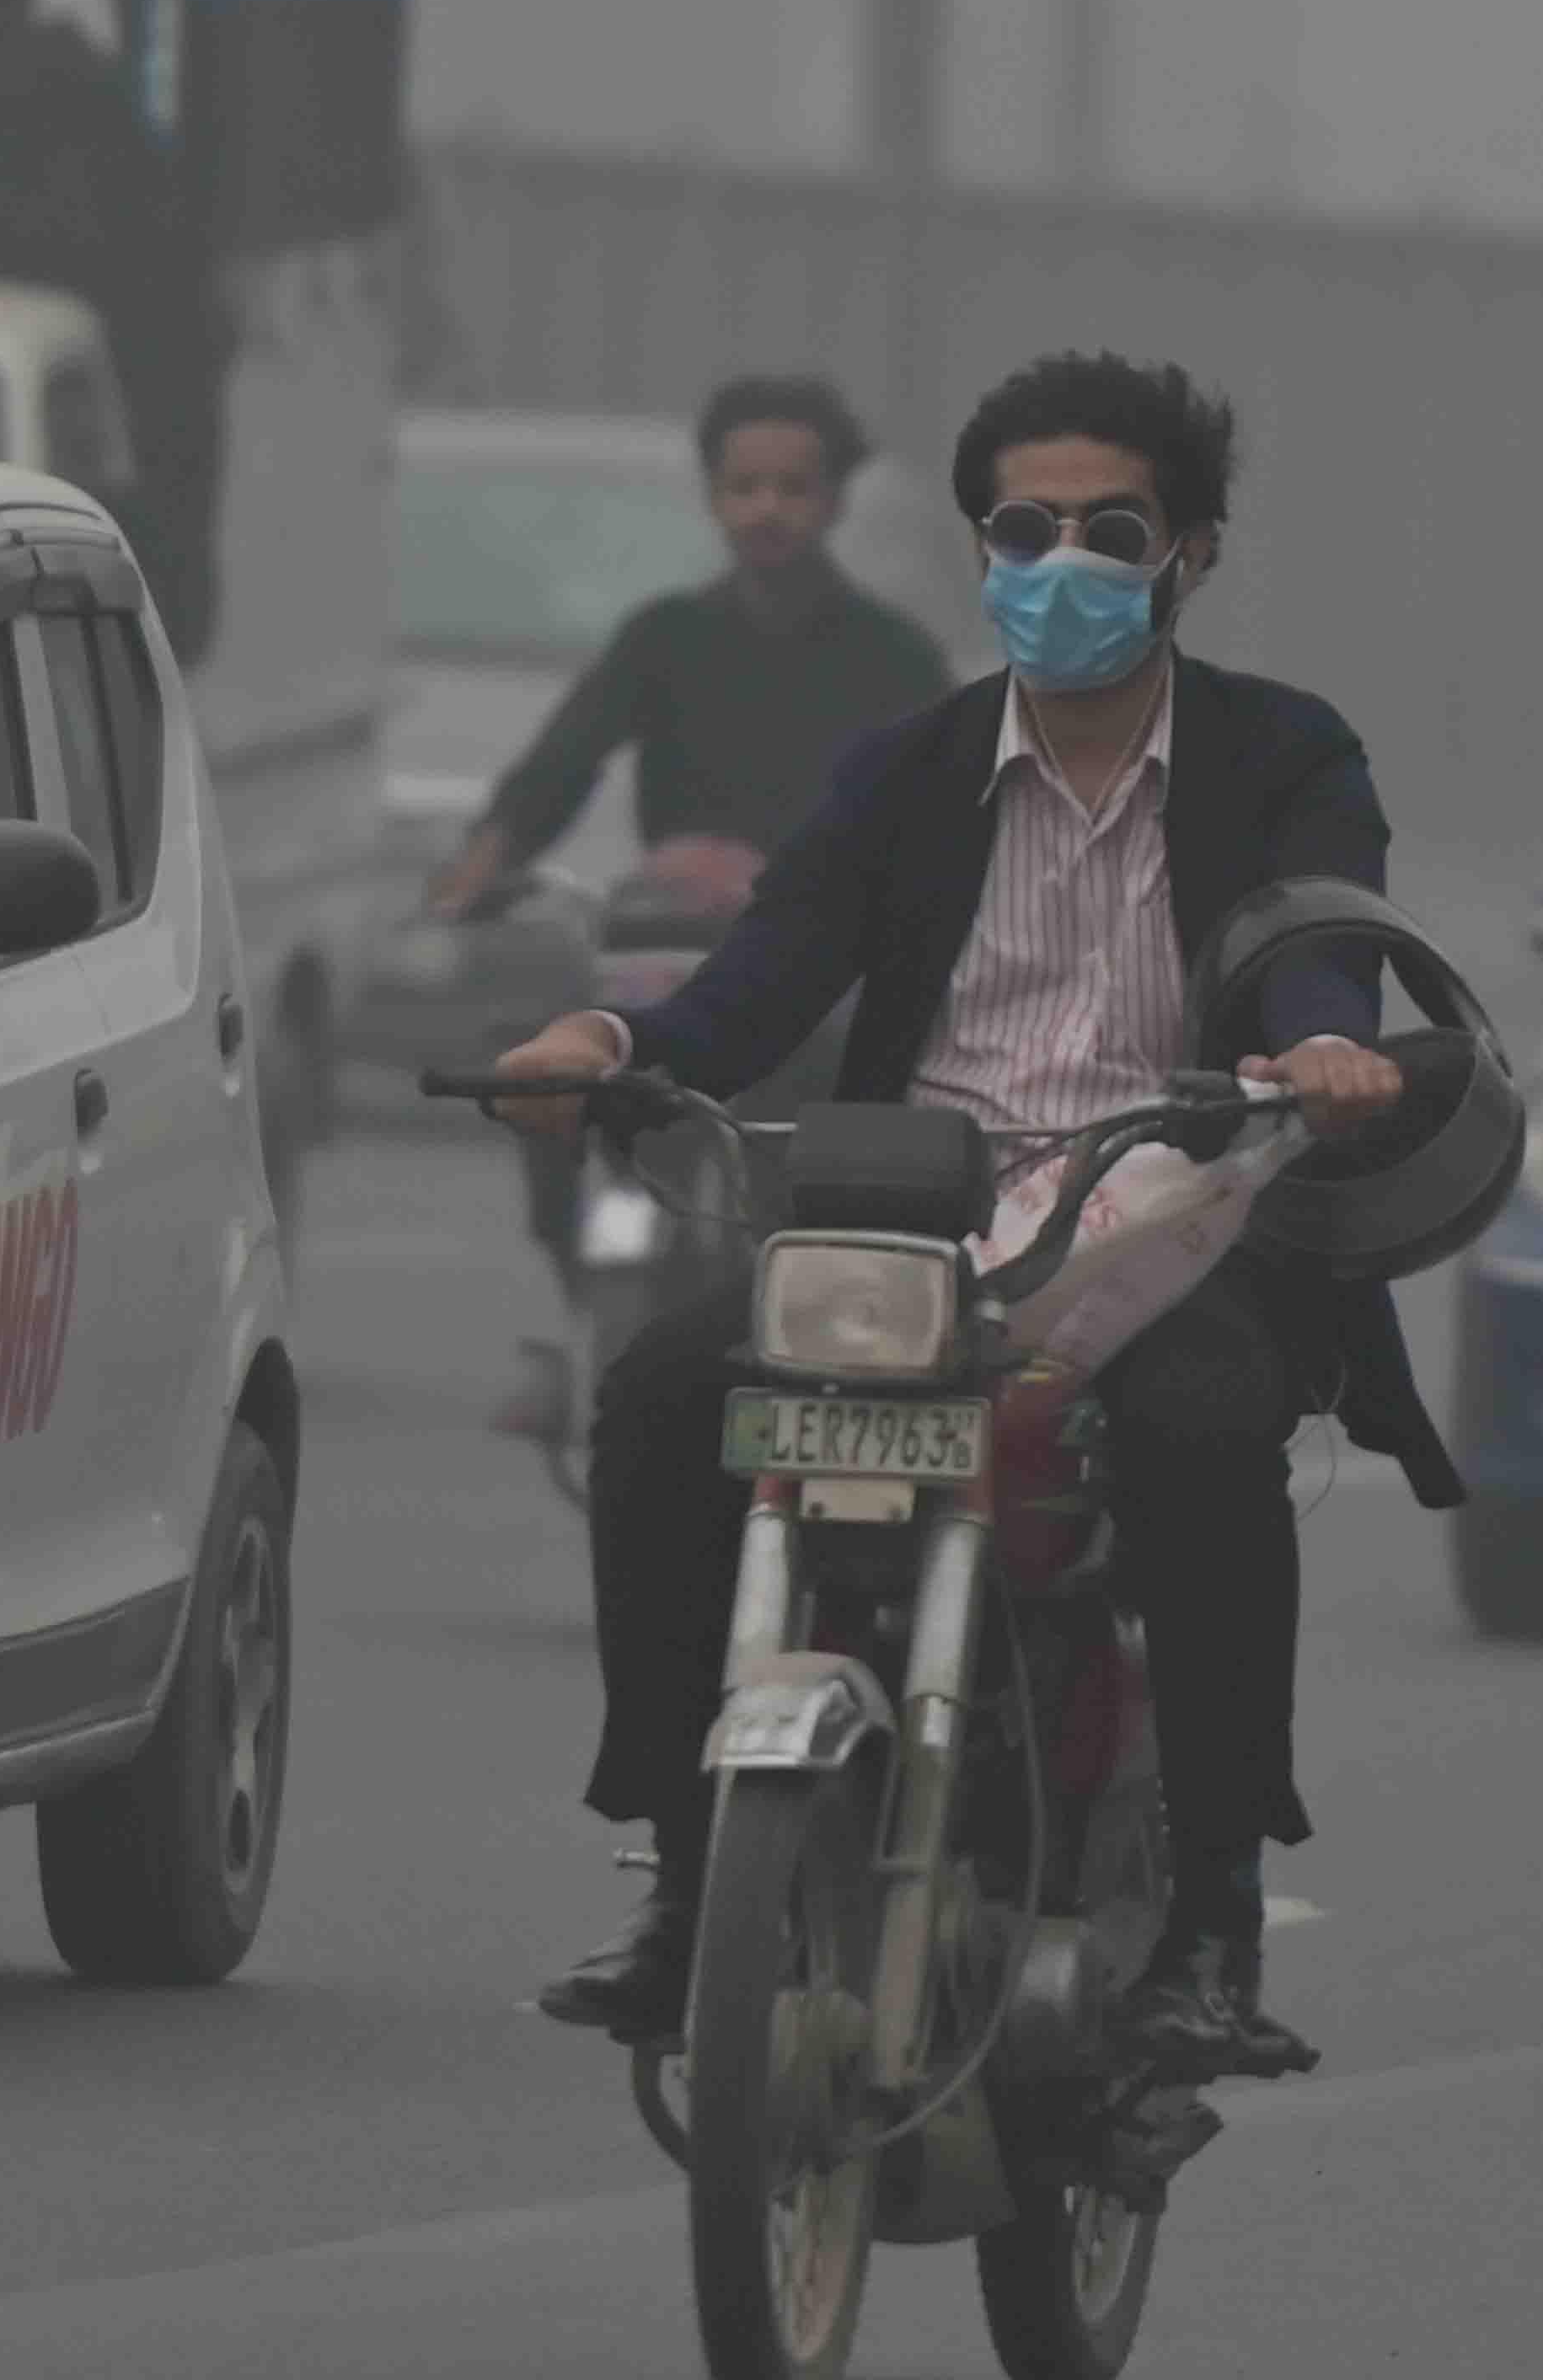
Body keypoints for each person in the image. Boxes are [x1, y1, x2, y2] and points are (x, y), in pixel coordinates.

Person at [472, 351, 1428, 2080]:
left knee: (1206, 1429)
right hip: (915, 1218)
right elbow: (759, 977)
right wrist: (605, 1042)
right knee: (673, 1392)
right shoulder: (903, 768)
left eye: (1109, 526)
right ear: (981, 549)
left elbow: (1315, 934)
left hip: (1176, 1204)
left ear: (1190, 550)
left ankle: (1209, 1915)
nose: (1063, 559)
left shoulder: (1288, 750)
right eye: (1023, 525)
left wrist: (1327, 1042)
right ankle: (695, 1877)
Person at [426, 376, 951, 1286]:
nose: (767, 509)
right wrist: (475, 875)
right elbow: (563, 763)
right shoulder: (664, 637)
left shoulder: (898, 657)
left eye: (793, 488)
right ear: (713, 496)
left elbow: (945, 811)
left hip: (820, 969)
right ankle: (586, 1277)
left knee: (822, 1153)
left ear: (832, 501)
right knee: (552, 1074)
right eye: (745, 486)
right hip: (662, 947)